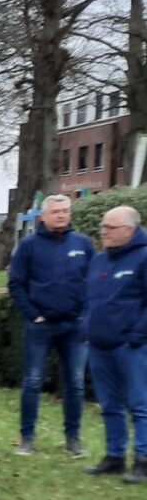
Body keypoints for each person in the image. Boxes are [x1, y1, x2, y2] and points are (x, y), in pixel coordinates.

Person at [8, 194, 94, 457]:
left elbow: (95, 284)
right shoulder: (29, 247)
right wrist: (33, 314)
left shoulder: (84, 244)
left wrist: (87, 317)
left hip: (75, 326)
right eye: (55, 211)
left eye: (65, 211)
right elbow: (16, 284)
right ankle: (27, 438)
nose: (61, 215)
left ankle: (73, 439)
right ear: (43, 216)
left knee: (75, 384)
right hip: (41, 327)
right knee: (33, 381)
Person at [83, 205, 147, 482]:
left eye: (110, 228)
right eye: (103, 227)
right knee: (109, 404)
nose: (104, 232)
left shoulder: (144, 258)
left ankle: (143, 460)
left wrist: (137, 335)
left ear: (129, 231)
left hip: (132, 346)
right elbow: (90, 299)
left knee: (139, 404)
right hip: (99, 345)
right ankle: (115, 456)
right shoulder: (98, 261)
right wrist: (87, 327)